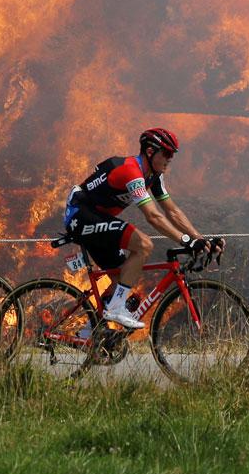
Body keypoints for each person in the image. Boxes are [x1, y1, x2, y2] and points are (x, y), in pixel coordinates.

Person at [62, 127, 218, 329]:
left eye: (172, 155)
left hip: (97, 219)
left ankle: (89, 337)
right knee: (144, 245)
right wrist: (186, 241)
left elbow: (172, 211)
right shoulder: (131, 171)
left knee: (123, 280)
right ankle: (115, 309)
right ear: (151, 151)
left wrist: (199, 239)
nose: (170, 159)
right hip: (80, 214)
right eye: (167, 153)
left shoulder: (153, 176)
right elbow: (153, 216)